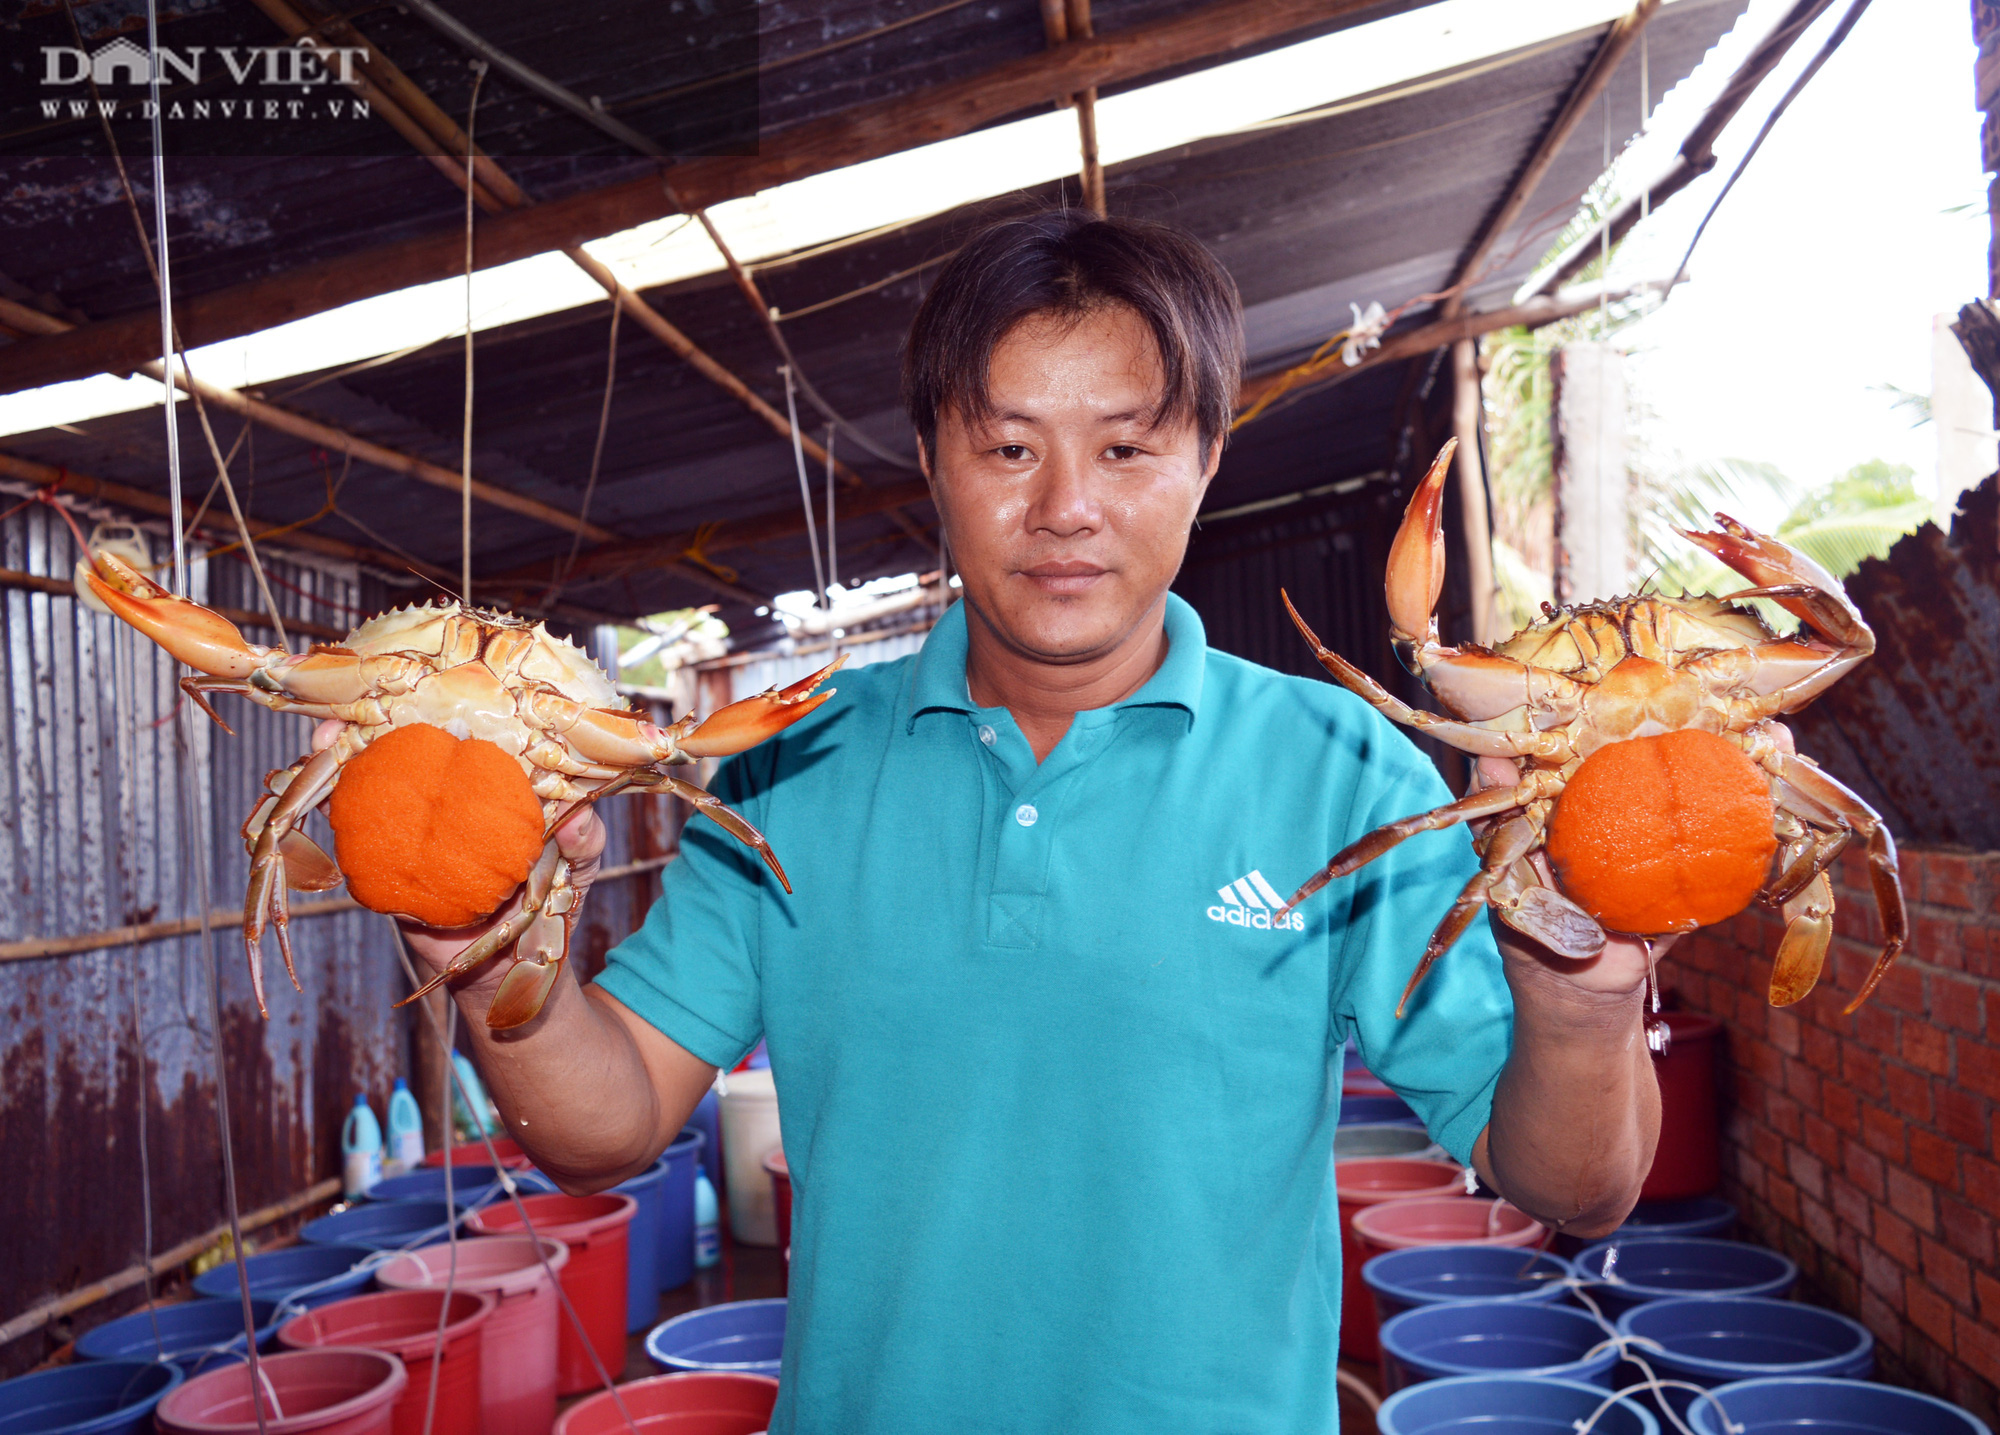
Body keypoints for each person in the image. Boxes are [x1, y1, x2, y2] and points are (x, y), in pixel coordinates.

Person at [400, 212, 1662, 1432]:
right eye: (1008, 449)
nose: (1066, 507)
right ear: (933, 457)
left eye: (1125, 448)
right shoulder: (786, 757)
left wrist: (1585, 1004)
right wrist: (491, 951)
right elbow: (602, 1125)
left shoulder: (1338, 765)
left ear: (1206, 458)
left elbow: (1567, 1183)